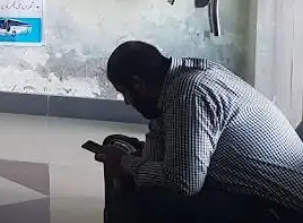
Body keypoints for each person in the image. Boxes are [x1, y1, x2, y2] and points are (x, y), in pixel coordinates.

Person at [98, 41, 303, 223]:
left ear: (138, 84)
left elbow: (184, 182)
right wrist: (136, 161)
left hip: (283, 210)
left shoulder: (189, 93)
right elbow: (158, 141)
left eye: (125, 93)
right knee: (123, 151)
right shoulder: (180, 78)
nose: (127, 102)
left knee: (152, 203)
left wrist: (125, 164)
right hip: (254, 194)